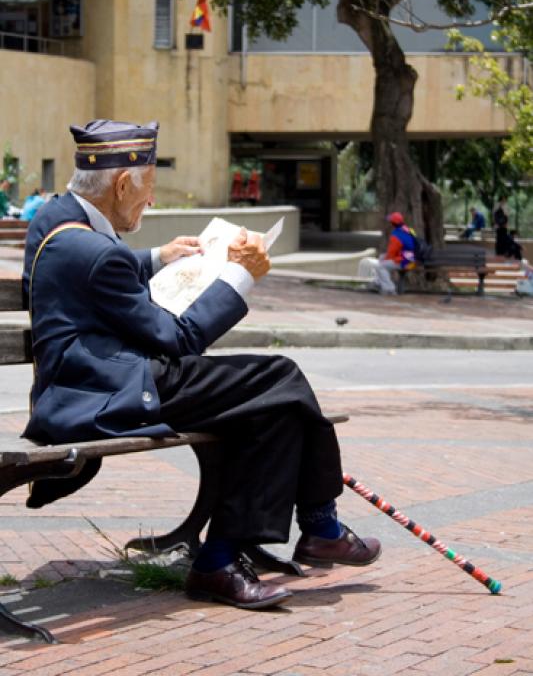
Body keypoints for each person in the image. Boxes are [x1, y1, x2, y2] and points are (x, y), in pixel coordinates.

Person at [23, 119, 381, 611]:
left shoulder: (54, 218)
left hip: (87, 380)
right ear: (123, 183)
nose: (150, 202)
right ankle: (315, 527)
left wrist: (156, 258)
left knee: (272, 406)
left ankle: (231, 554)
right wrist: (239, 275)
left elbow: (93, 270)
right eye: (148, 189)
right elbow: (180, 340)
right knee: (280, 377)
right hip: (110, 391)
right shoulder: (92, 251)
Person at [372, 211, 416, 295]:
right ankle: (378, 282)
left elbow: (391, 253)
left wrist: (384, 261)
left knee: (380, 266)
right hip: (412, 259)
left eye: (390, 222)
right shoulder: (409, 230)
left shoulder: (396, 235)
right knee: (382, 257)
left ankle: (389, 289)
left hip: (406, 263)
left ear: (393, 223)